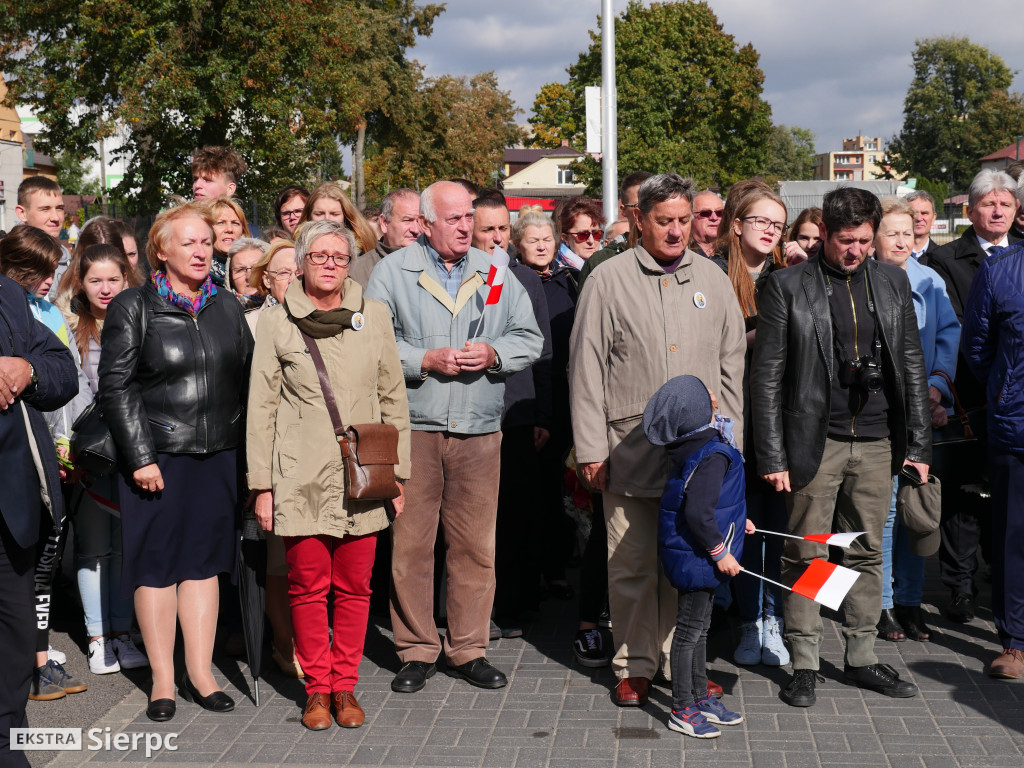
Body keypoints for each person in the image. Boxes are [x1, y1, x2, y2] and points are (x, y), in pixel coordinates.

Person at [570, 173, 745, 707]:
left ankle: (680, 663)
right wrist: (591, 450)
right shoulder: (608, 279)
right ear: (640, 221)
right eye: (664, 221)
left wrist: (730, 447)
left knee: (687, 566)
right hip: (628, 452)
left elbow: (732, 363)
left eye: (684, 220)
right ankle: (634, 665)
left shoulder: (713, 279)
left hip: (699, 459)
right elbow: (585, 370)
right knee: (633, 565)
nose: (675, 231)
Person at [751, 187, 931, 708]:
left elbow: (912, 367)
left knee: (865, 550)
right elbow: (767, 378)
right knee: (808, 552)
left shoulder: (894, 281)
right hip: (815, 439)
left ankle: (862, 656)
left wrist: (918, 443)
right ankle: (805, 661)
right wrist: (774, 455)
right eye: (845, 240)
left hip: (877, 441)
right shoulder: (787, 285)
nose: (855, 251)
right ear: (824, 234)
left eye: (864, 241)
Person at [366, 180, 543, 695]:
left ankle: (468, 649)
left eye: (470, 216)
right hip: (414, 430)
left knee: (474, 546)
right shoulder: (392, 273)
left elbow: (528, 338)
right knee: (412, 547)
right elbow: (373, 346)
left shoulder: (495, 272)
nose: (467, 226)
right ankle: (417, 650)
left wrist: (494, 355)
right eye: (455, 218)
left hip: (479, 431)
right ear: (425, 223)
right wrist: (422, 360)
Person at [247, 219, 411, 729]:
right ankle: (316, 689)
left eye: (339, 257)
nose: (330, 265)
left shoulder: (374, 314)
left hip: (363, 476)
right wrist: (262, 486)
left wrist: (398, 473)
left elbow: (393, 398)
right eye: (319, 256)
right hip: (299, 477)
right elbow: (262, 407)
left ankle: (346, 687)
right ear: (300, 263)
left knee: (357, 587)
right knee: (307, 586)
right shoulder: (277, 321)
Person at [99, 201, 253, 722]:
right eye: (187, 242)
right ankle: (163, 677)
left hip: (218, 458)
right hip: (158, 458)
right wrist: (140, 456)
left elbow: (249, 382)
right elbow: (115, 388)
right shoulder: (132, 306)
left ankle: (202, 672)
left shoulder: (226, 305)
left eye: (205, 241)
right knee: (158, 568)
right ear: (160, 250)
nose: (199, 250)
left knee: (205, 566)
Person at [0, 227, 91, 701]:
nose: (49, 279)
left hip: (25, 480)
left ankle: (30, 675)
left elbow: (63, 371)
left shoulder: (22, 305)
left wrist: (26, 369)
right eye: (42, 270)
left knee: (32, 586)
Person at [928, 169, 1020, 624]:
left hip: (1014, 400)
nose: (998, 211)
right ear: (970, 211)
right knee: (964, 495)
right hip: (969, 396)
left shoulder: (1021, 257)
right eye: (988, 204)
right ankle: (959, 586)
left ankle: (997, 580)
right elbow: (965, 333)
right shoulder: (948, 260)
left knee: (1005, 499)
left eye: (1006, 203)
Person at [871, 197, 959, 643]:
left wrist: (938, 387)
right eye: (893, 232)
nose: (902, 240)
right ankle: (883, 605)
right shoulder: (863, 281)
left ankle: (910, 602)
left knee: (916, 511)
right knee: (885, 514)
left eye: (908, 232)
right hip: (877, 416)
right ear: (875, 238)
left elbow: (948, 337)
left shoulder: (931, 281)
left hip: (922, 414)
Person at [643, 375, 750, 738]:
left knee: (701, 628)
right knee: (689, 633)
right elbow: (700, 514)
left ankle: (701, 696)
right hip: (699, 557)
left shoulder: (698, 446)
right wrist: (721, 553)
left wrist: (740, 520)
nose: (715, 394)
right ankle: (682, 707)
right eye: (708, 393)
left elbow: (713, 502)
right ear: (700, 410)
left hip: (694, 553)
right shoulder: (713, 453)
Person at [61, 244, 151, 674]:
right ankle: (98, 637)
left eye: (113, 279)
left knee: (124, 549)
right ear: (81, 283)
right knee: (94, 548)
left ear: (127, 279)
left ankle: (122, 633)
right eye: (95, 280)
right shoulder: (72, 327)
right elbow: (73, 398)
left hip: (134, 454)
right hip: (93, 456)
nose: (105, 288)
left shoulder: (141, 320)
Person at [472, 199, 553, 637]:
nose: (497, 238)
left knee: (518, 512)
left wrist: (543, 414)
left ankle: (516, 600)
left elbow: (541, 355)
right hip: (471, 415)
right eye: (488, 229)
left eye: (503, 228)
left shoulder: (524, 279)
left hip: (518, 414)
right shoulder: (461, 278)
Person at [720, 182, 791, 667]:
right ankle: (749, 622)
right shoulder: (710, 278)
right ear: (737, 224)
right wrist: (751, 334)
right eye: (763, 221)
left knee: (778, 529)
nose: (771, 231)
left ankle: (775, 620)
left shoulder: (791, 281)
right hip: (729, 420)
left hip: (781, 423)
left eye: (778, 225)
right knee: (740, 528)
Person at [961, 192, 1024, 678]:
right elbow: (977, 349)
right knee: (1013, 537)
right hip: (1015, 427)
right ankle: (1015, 641)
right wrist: (1006, 389)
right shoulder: (1000, 271)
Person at [243, 239, 301, 677]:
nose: (294, 279)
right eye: (284, 273)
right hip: (276, 461)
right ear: (266, 279)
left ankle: (315, 637)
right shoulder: (249, 324)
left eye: (300, 270)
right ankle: (286, 644)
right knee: (282, 561)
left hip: (320, 459)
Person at [578, 171, 653, 288]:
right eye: (638, 206)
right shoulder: (600, 263)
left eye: (652, 204)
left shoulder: (677, 256)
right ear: (623, 210)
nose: (647, 211)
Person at [350, 189, 421, 288]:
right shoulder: (357, 271)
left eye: (420, 221)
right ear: (384, 223)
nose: (416, 229)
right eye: (407, 220)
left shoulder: (438, 263)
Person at [14, 177, 68, 300]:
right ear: (22, 213)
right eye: (45, 209)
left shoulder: (72, 264)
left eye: (59, 208)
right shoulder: (8, 263)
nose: (55, 217)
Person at [297, 183, 376, 255]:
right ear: (309, 216)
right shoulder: (293, 250)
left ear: (345, 216)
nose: (327, 219)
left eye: (334, 214)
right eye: (319, 214)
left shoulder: (365, 252)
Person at [208, 197, 250, 288]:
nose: (229, 229)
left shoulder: (258, 266)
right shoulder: (197, 274)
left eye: (235, 223)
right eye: (220, 223)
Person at [556, 197, 605, 272]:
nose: (591, 241)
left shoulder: (611, 265)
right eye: (582, 235)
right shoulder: (554, 271)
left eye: (596, 234)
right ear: (565, 238)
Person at [225, 237, 269, 311]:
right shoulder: (222, 312)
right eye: (240, 270)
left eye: (255, 268)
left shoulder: (283, 307)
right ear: (230, 278)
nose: (249, 277)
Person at [905, 191, 940, 263]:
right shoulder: (890, 257)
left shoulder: (943, 257)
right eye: (913, 213)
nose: (919, 218)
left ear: (933, 218)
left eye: (924, 213)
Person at [690, 190, 724, 260]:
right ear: (690, 217)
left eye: (719, 213)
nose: (714, 218)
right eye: (705, 213)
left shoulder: (733, 253)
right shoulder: (682, 254)